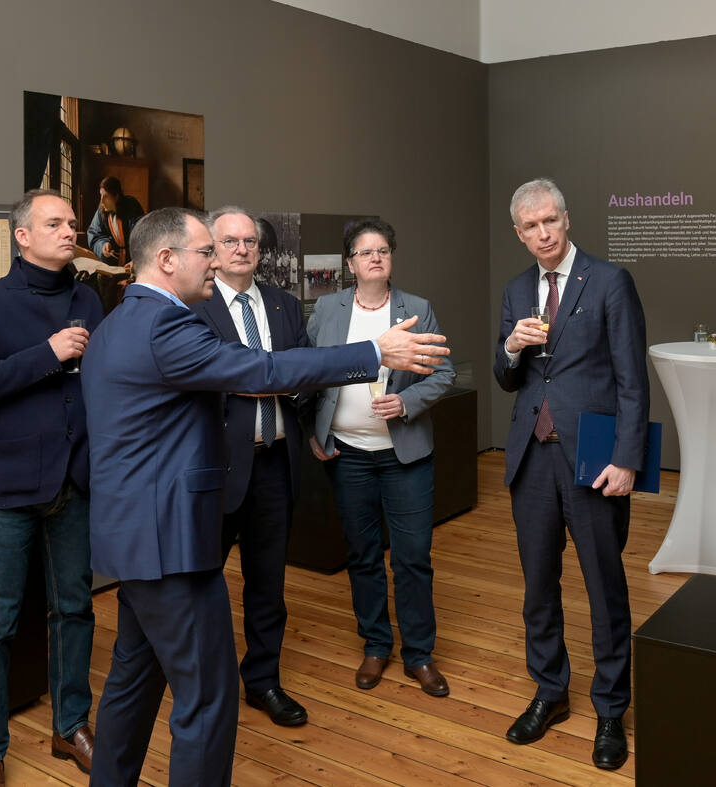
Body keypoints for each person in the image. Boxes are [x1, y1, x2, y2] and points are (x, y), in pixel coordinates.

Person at [83, 207, 449, 786]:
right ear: (167, 259)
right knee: (207, 699)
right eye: (207, 250)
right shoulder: (165, 326)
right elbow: (263, 369)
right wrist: (374, 353)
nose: (216, 261)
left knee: (133, 679)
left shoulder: (117, 322)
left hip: (135, 541)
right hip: (170, 545)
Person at [0, 189, 103, 787]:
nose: (69, 231)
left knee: (75, 610)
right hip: (6, 492)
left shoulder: (89, 299)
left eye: (72, 222)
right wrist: (47, 354)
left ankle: (71, 727)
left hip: (75, 484)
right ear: (22, 236)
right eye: (55, 223)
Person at [493, 178, 649, 770]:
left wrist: (627, 459)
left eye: (550, 221)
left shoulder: (609, 281)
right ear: (519, 233)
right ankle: (550, 691)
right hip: (531, 458)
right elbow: (507, 377)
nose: (544, 234)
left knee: (604, 588)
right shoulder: (516, 289)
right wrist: (511, 348)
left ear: (567, 218)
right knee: (538, 585)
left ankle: (611, 709)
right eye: (531, 226)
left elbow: (632, 380)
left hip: (594, 459)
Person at [306, 218, 455, 697]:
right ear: (349, 264)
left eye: (383, 251)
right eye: (365, 252)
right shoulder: (327, 309)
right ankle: (375, 644)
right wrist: (313, 430)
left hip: (404, 455)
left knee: (412, 558)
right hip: (347, 454)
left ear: (391, 258)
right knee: (363, 554)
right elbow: (309, 372)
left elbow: (443, 373)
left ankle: (419, 654)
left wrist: (406, 402)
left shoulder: (417, 309)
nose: (375, 257)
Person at [190, 206, 310, 727]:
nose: (242, 249)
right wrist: (257, 379)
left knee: (268, 584)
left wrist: (285, 382)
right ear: (212, 250)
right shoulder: (194, 306)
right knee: (200, 581)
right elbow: (198, 380)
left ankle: (263, 681)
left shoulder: (284, 305)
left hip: (275, 463)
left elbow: (305, 369)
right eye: (230, 241)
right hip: (216, 467)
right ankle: (200, 684)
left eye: (251, 242)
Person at [86, 175, 144, 265]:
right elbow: (94, 234)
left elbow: (142, 236)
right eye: (101, 195)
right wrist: (103, 245)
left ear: (116, 196)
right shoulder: (101, 211)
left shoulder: (131, 205)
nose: (102, 201)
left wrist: (137, 260)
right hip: (111, 264)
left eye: (106, 196)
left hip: (132, 261)